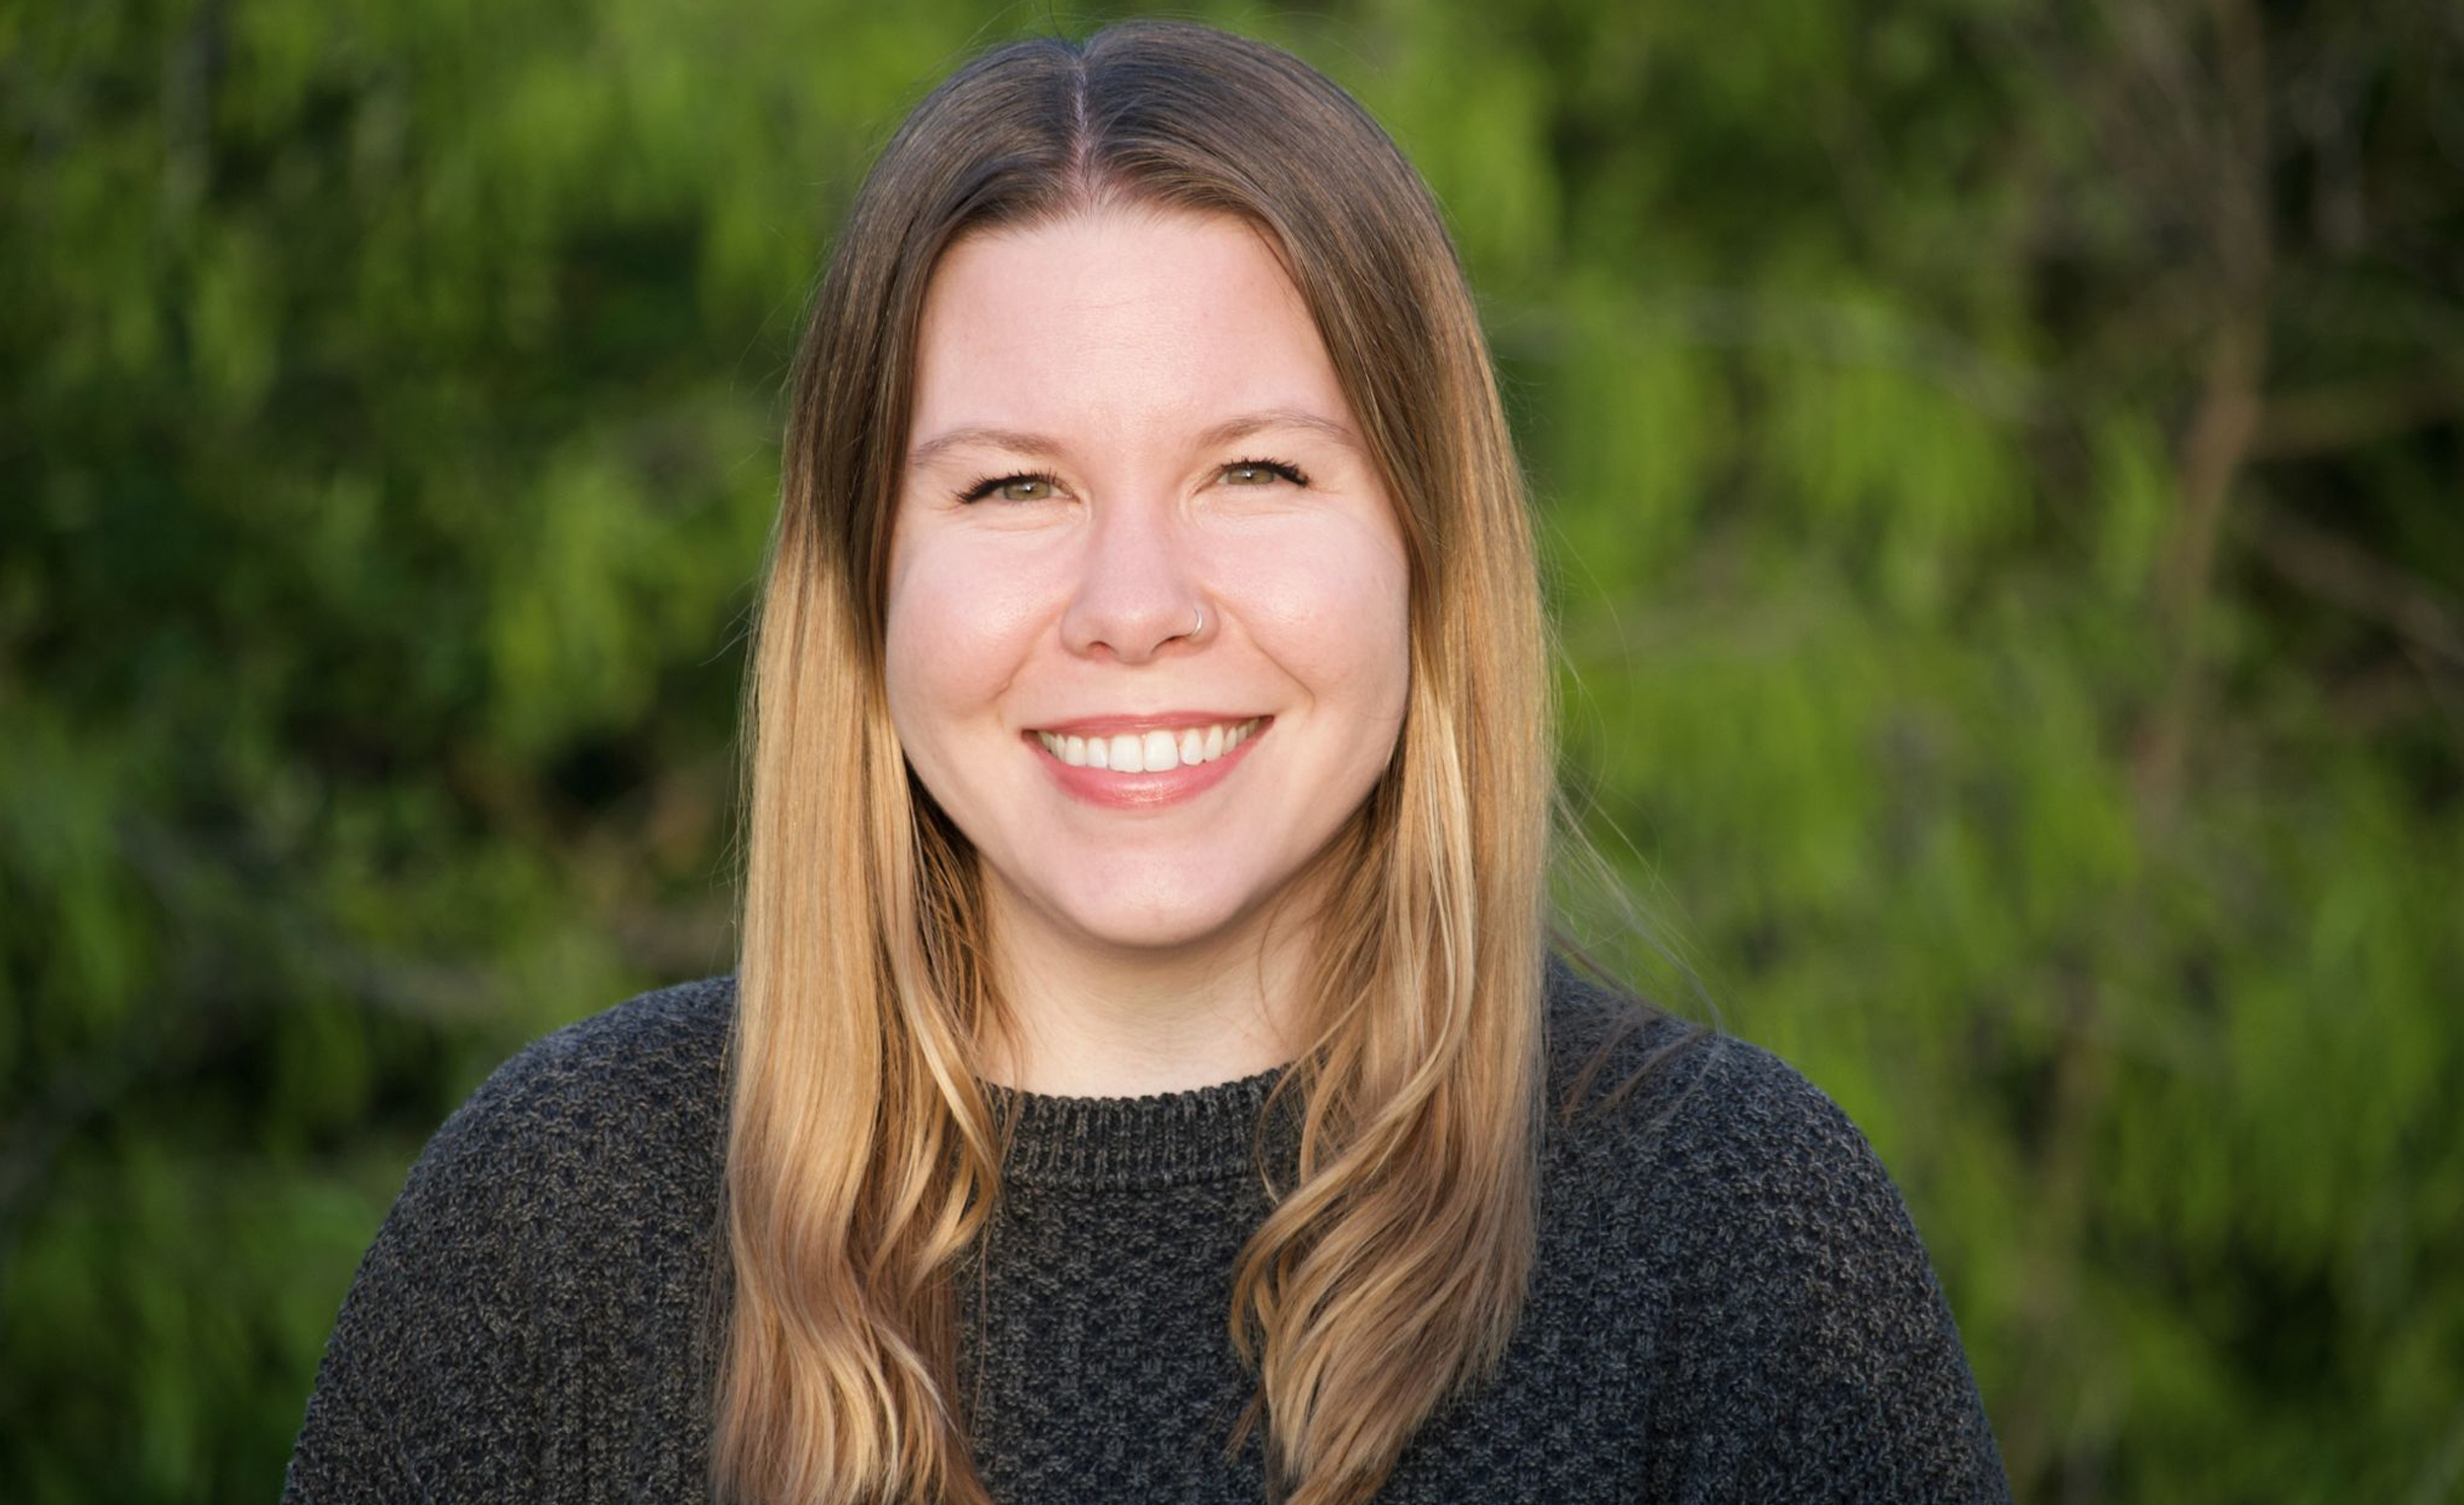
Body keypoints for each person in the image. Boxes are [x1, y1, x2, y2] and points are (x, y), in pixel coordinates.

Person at [284, 21, 2011, 1505]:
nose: (1135, 607)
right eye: (1012, 487)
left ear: (1427, 547)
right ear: (863, 584)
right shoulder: (560, 1229)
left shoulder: (1733, 1241)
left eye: (1255, 471)